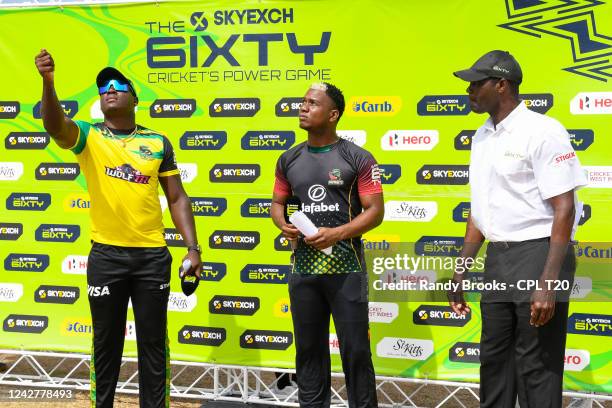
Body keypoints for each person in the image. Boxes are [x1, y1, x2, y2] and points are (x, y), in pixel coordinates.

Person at [35, 49, 202, 408]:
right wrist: (48, 82)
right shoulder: (87, 135)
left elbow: (177, 198)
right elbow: (54, 125)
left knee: (154, 346)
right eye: (102, 87)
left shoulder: (158, 142)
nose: (108, 89)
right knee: (105, 346)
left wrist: (193, 248)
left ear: (134, 97)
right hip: (106, 256)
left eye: (117, 84)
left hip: (151, 259)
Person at [449, 50, 587, 408]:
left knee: (536, 365)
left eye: (476, 84)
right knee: (494, 362)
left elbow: (565, 208)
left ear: (501, 84)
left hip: (539, 253)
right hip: (499, 257)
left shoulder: (543, 130)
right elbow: (480, 208)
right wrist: (461, 268)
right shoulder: (481, 137)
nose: (469, 91)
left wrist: (548, 282)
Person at [271, 82, 384, 408]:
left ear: (333, 114)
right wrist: (284, 225)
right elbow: (277, 205)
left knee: (356, 352)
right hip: (303, 270)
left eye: (312, 103)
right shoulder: (288, 158)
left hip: (347, 269)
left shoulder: (358, 158)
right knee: (308, 350)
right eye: (303, 102)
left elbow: (375, 212)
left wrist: (338, 234)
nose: (303, 107)